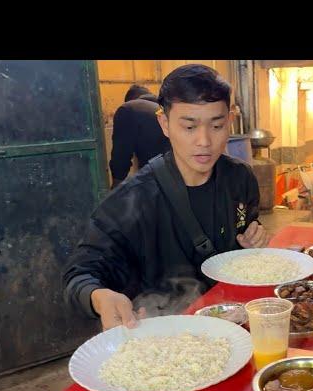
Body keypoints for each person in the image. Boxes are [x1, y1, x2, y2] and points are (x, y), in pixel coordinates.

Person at [63, 64, 268, 331]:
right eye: (189, 127)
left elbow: (248, 227)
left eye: (216, 125)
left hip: (233, 324)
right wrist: (100, 298)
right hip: (165, 335)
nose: (204, 140)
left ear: (229, 121)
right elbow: (79, 275)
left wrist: (254, 236)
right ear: (164, 123)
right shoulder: (132, 200)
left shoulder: (240, 178)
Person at [109, 85, 171, 189]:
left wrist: (116, 187)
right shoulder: (165, 109)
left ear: (129, 99)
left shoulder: (127, 108)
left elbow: (120, 155)